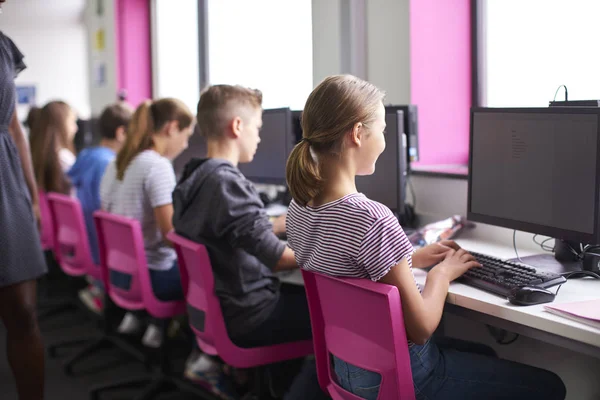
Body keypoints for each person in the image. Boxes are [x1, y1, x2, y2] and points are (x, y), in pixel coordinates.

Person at [285, 74, 567, 400]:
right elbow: (420, 330)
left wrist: (409, 258)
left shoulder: (300, 209)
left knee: (484, 355)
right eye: (383, 131)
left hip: (348, 372)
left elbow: (349, 267)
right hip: (403, 380)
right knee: (550, 387)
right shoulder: (373, 220)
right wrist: (441, 275)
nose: (386, 141)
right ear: (358, 134)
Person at [172, 84, 328, 400]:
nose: (258, 137)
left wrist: (282, 222)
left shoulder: (194, 176)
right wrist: (334, 243)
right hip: (251, 315)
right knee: (338, 317)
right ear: (237, 126)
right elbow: (281, 260)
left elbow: (235, 228)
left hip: (221, 310)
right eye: (257, 128)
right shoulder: (226, 182)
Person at [0, 25, 47, 399]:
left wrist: (31, 197)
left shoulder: (3, 45)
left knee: (23, 312)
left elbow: (15, 128)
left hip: (6, 181)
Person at [69, 102, 133, 313]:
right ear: (121, 132)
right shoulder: (109, 165)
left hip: (87, 246)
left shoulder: (87, 156)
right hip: (103, 252)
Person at [29, 100, 78, 194]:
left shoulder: (33, 154)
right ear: (61, 124)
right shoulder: (65, 158)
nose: (75, 128)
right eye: (72, 122)